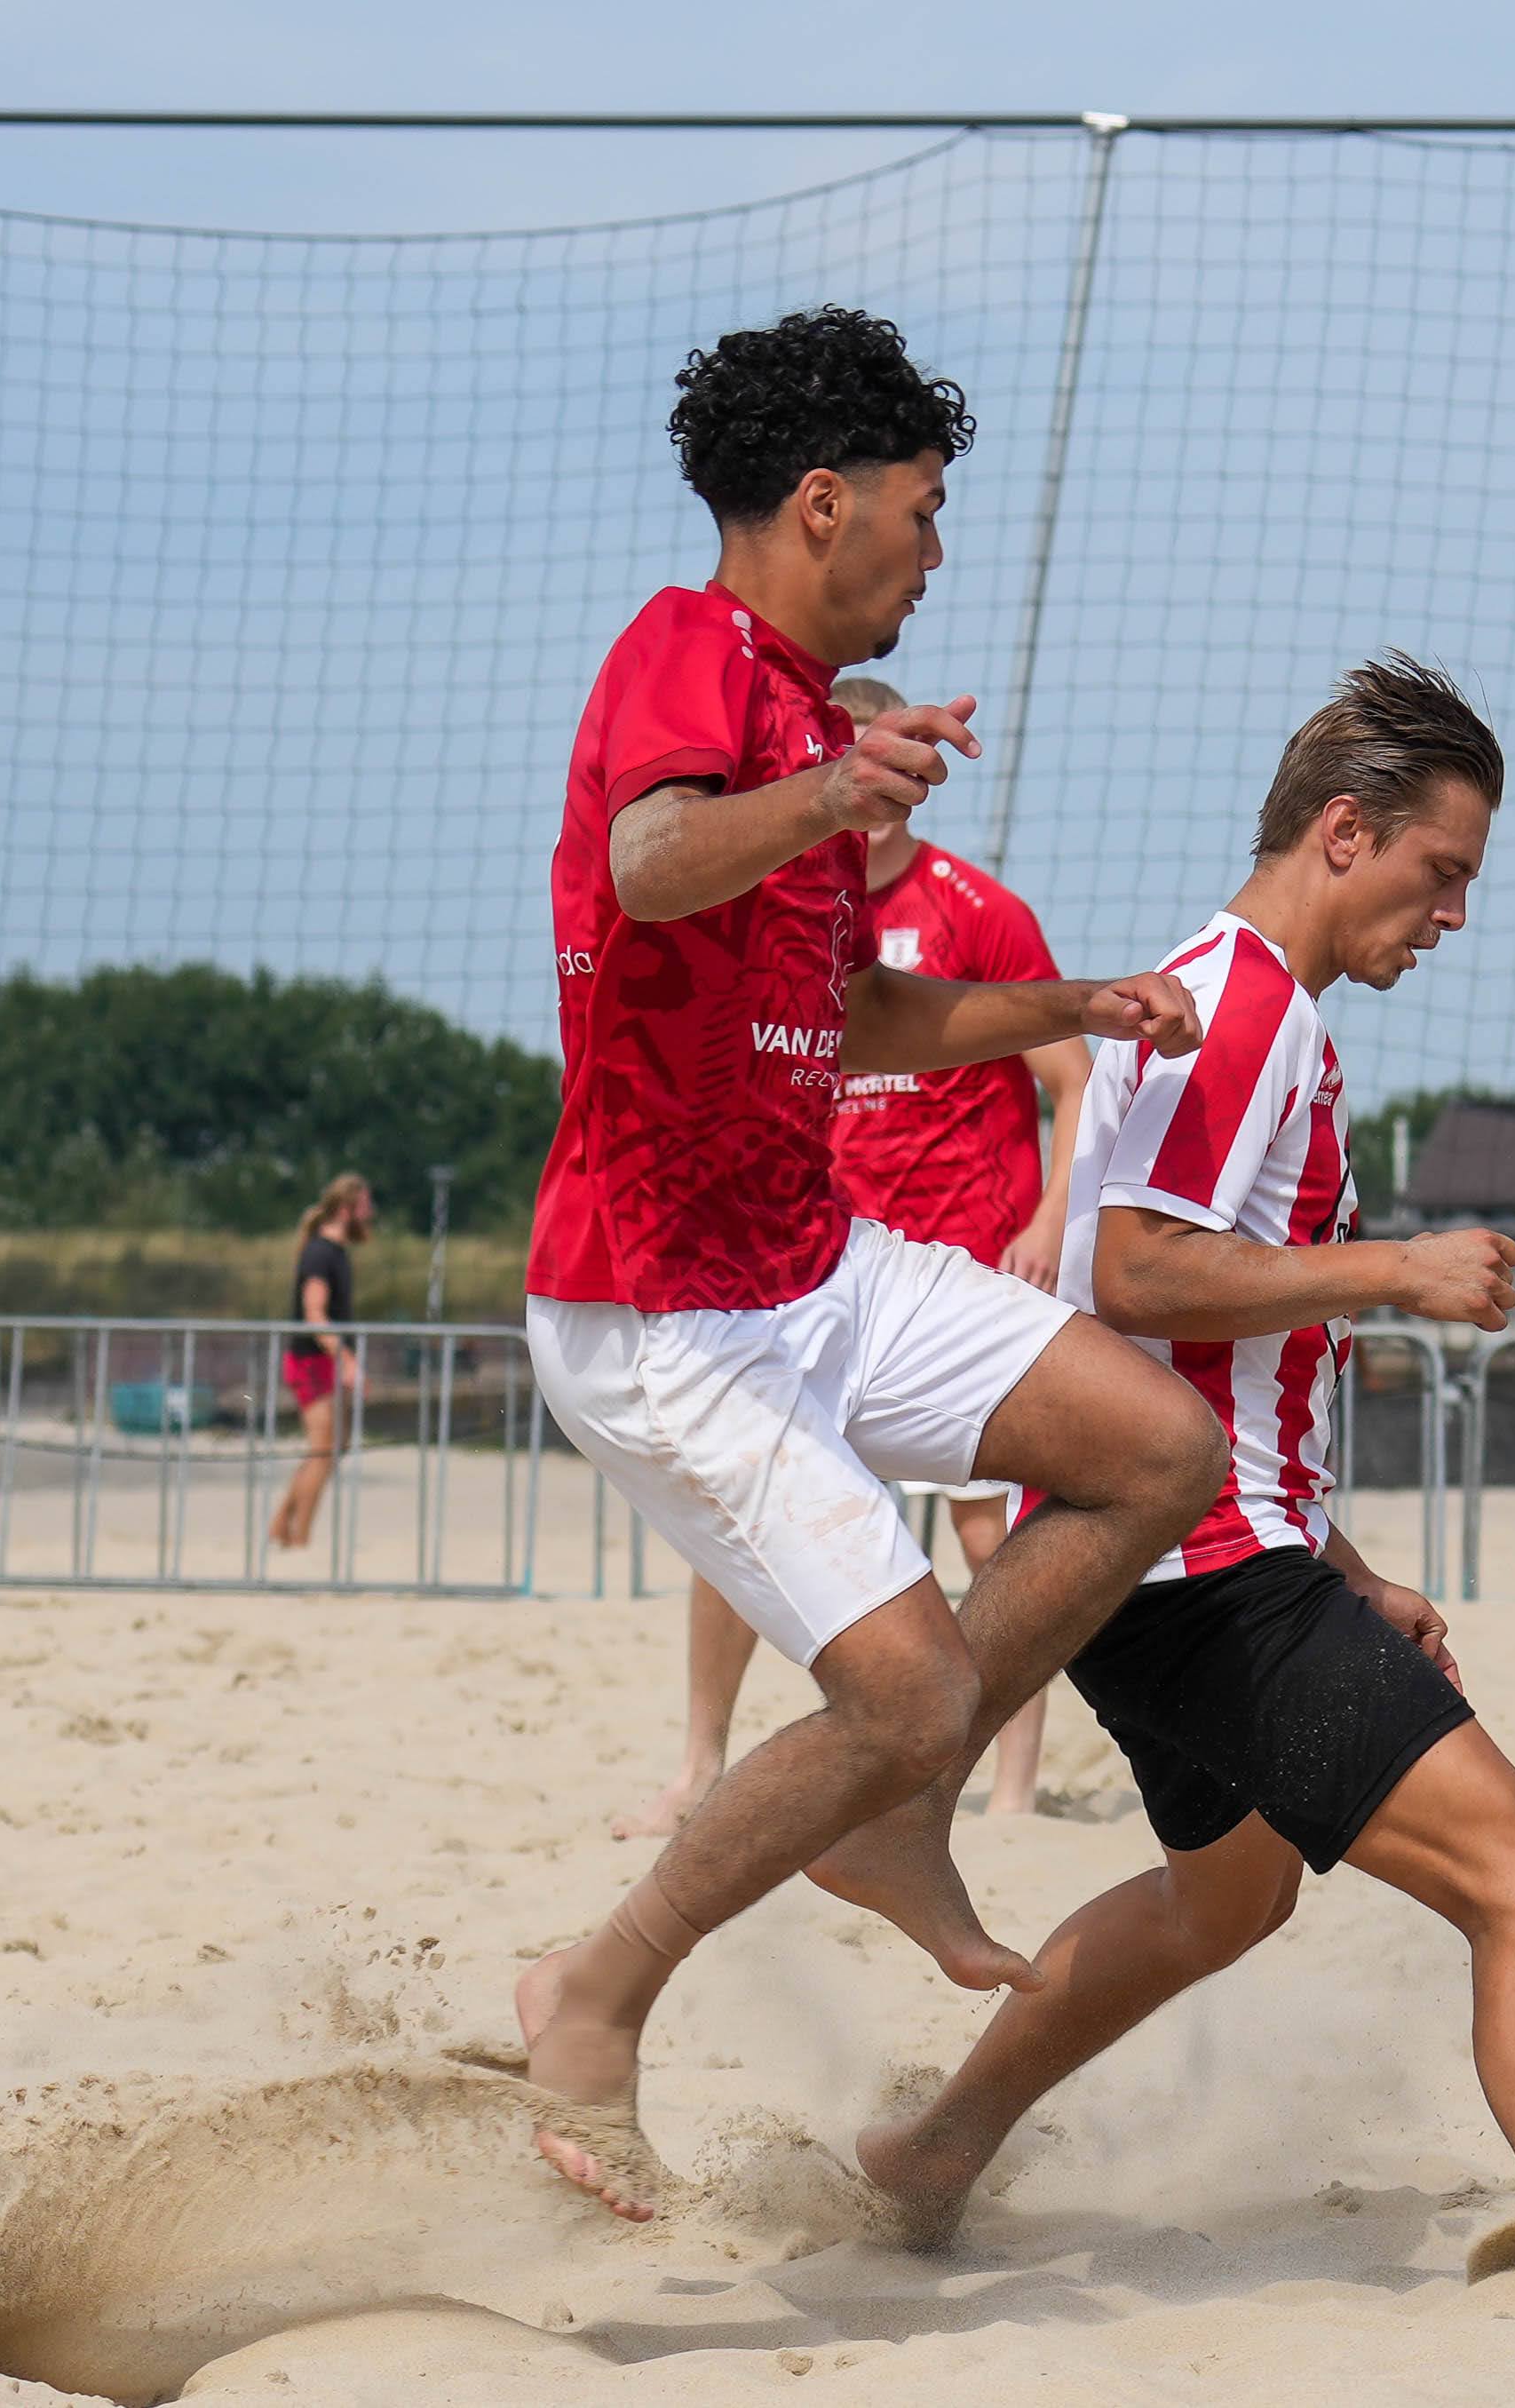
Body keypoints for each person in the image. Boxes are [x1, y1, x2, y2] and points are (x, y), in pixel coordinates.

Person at [512, 306, 1228, 2221]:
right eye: (920, 511)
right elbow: (659, 863)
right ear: (820, 504)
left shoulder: (812, 722)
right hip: (666, 1309)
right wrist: (833, 789)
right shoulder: (686, 652)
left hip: (814, 1262)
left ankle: (897, 1806)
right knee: (907, 1681)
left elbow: (856, 1019)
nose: (935, 550)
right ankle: (595, 1985)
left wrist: (1058, 1004)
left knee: (1157, 1450)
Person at [852, 656, 1515, 2278]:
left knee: (1225, 1903)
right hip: (1196, 1570)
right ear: (1344, 835)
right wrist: (1395, 1270)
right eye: (1443, 874)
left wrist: (1348, 1568)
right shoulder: (1247, 1004)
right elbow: (1135, 1272)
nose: (1455, 915)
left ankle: (928, 2154)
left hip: (1186, 1556)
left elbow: (1178, 1342)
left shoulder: (1235, 997)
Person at [617, 672, 1086, 1840]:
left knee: (994, 1533)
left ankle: (1009, 1797)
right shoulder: (774, 901)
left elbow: (1071, 1076)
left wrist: (1044, 1224)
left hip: (963, 1260)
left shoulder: (978, 908)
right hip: (807, 1268)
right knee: (741, 1523)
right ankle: (699, 1765)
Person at [268, 1174, 372, 1552]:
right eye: (365, 1206)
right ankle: (298, 1535)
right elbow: (315, 1314)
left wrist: (348, 1361)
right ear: (346, 1210)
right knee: (322, 1448)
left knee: (332, 1446)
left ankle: (283, 1523)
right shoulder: (320, 1253)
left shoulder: (335, 1252)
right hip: (310, 1360)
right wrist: (345, 1358)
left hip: (322, 1359)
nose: (370, 1213)